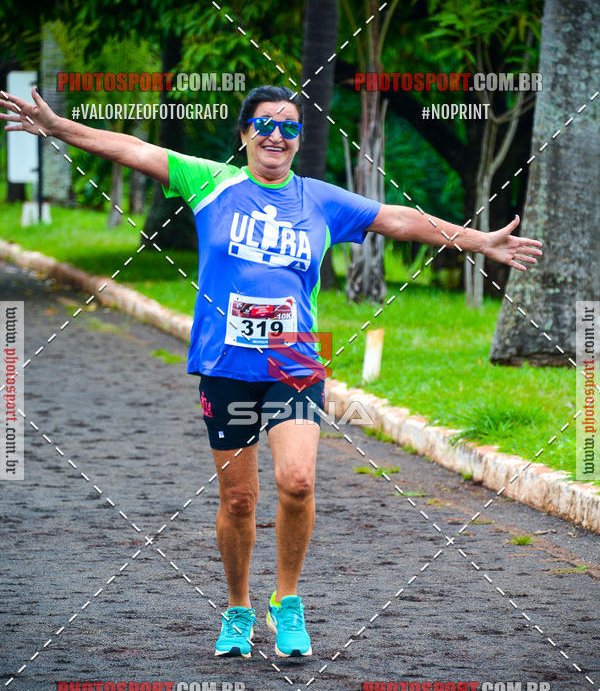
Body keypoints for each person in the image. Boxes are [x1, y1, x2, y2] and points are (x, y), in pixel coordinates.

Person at [1, 84, 542, 659]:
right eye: (264, 125)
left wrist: (480, 240)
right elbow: (131, 148)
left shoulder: (319, 200)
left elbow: (400, 220)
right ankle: (238, 609)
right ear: (244, 135)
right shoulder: (211, 182)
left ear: (299, 141)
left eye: (289, 128)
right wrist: (57, 128)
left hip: (295, 359)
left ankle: (287, 602)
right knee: (238, 500)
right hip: (225, 363)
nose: (276, 136)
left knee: (298, 481)